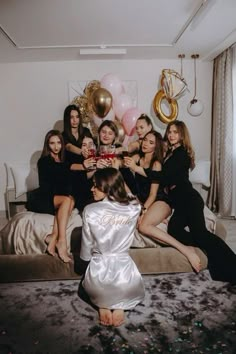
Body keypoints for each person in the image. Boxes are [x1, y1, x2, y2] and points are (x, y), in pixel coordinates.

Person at [140, 120, 236, 283]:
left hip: (189, 199)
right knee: (174, 230)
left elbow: (164, 177)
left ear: (182, 135)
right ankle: (208, 256)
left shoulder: (182, 153)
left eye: (175, 132)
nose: (171, 135)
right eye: (169, 131)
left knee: (201, 234)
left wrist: (139, 170)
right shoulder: (170, 152)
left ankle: (233, 267)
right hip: (181, 203)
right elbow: (147, 143)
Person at [79, 168, 145, 327]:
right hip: (126, 280)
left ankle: (103, 302)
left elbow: (86, 249)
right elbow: (131, 197)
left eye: (95, 185)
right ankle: (120, 304)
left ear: (107, 186)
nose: (91, 189)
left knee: (94, 285)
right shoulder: (134, 208)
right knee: (125, 286)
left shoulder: (89, 210)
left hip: (99, 277)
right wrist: (118, 179)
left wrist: (85, 261)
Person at [26, 130, 77, 263]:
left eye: (59, 142)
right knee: (67, 200)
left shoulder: (64, 160)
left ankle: (53, 236)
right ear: (47, 145)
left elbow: (66, 185)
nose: (56, 146)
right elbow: (49, 185)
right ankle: (62, 241)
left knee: (71, 200)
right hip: (41, 198)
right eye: (52, 143)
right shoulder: (43, 161)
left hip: (55, 197)